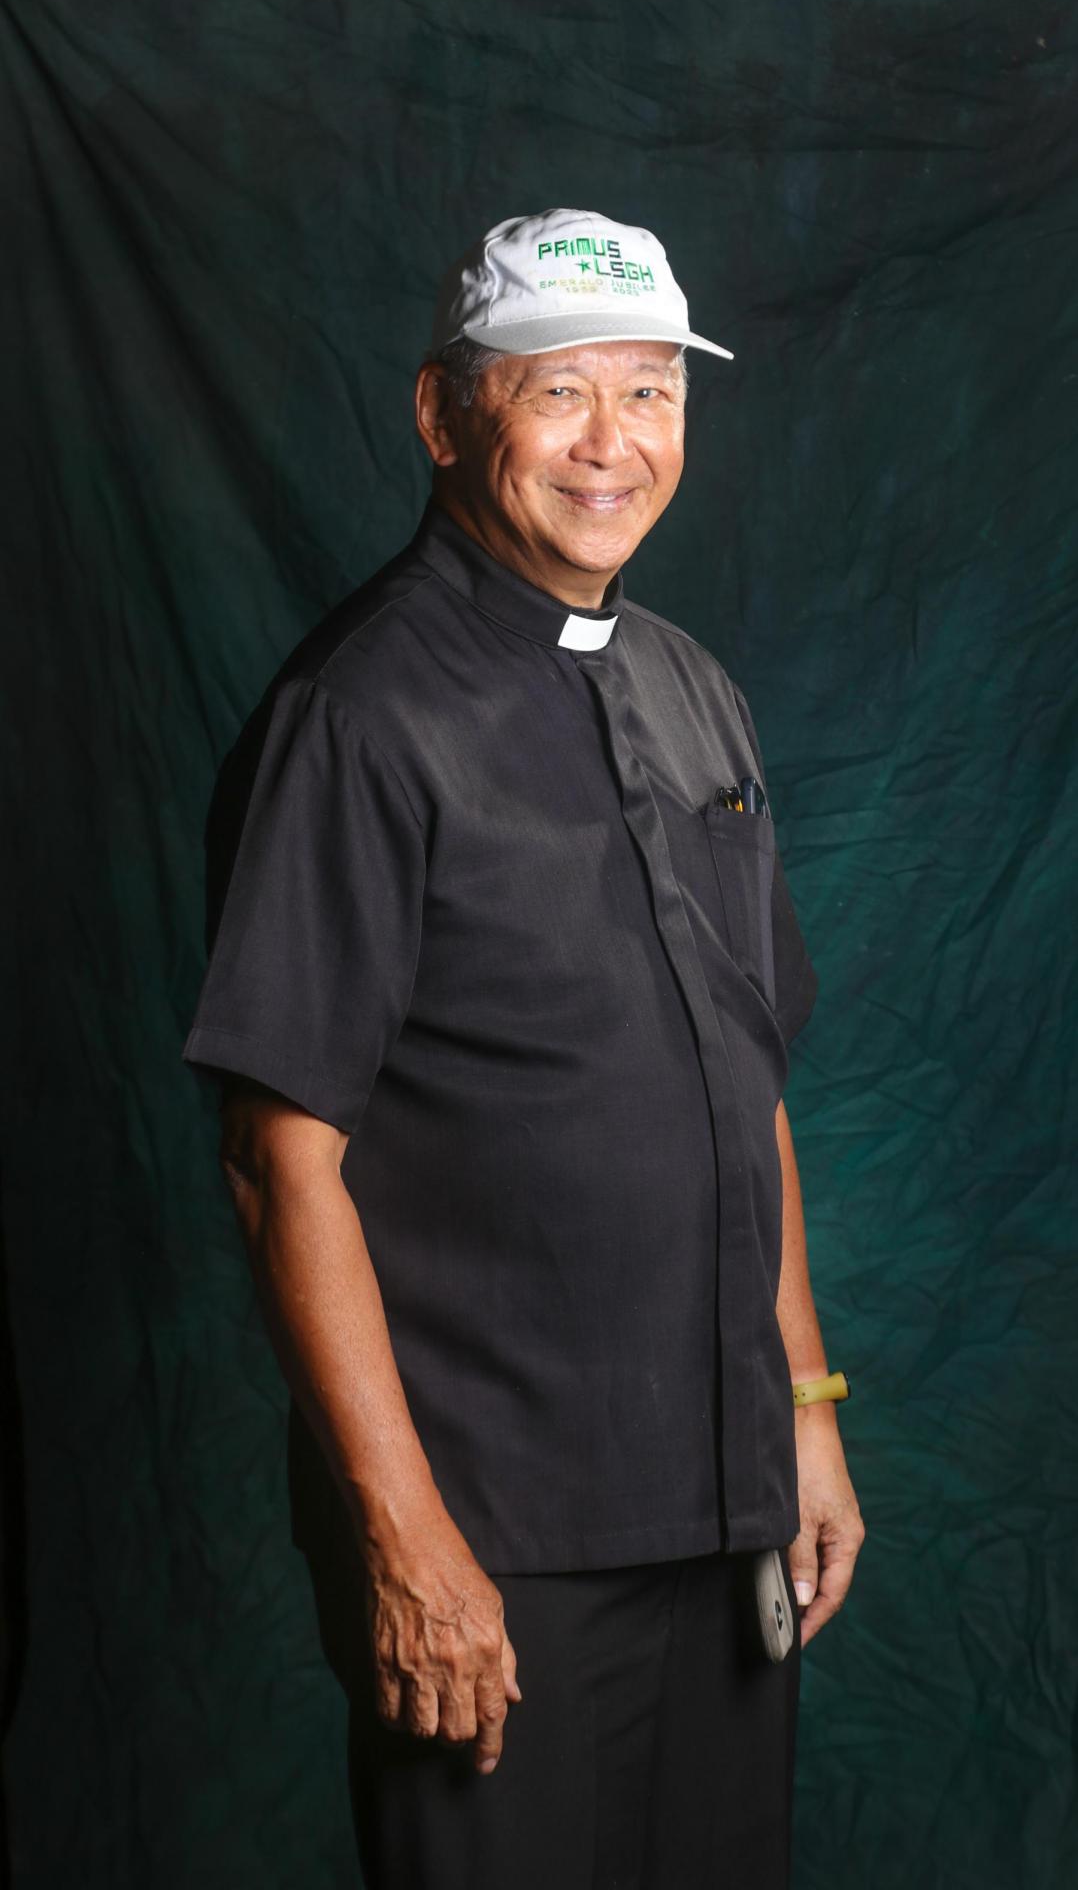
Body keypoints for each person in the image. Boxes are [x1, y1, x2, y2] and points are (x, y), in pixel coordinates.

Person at [182, 206, 864, 1889]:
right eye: (557, 392)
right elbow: (279, 1166)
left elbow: (747, 1085)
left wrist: (802, 1407)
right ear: (443, 414)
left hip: (724, 1513)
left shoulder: (694, 690)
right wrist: (405, 1543)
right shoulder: (357, 717)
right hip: (495, 1540)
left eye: (650, 393)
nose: (610, 443)